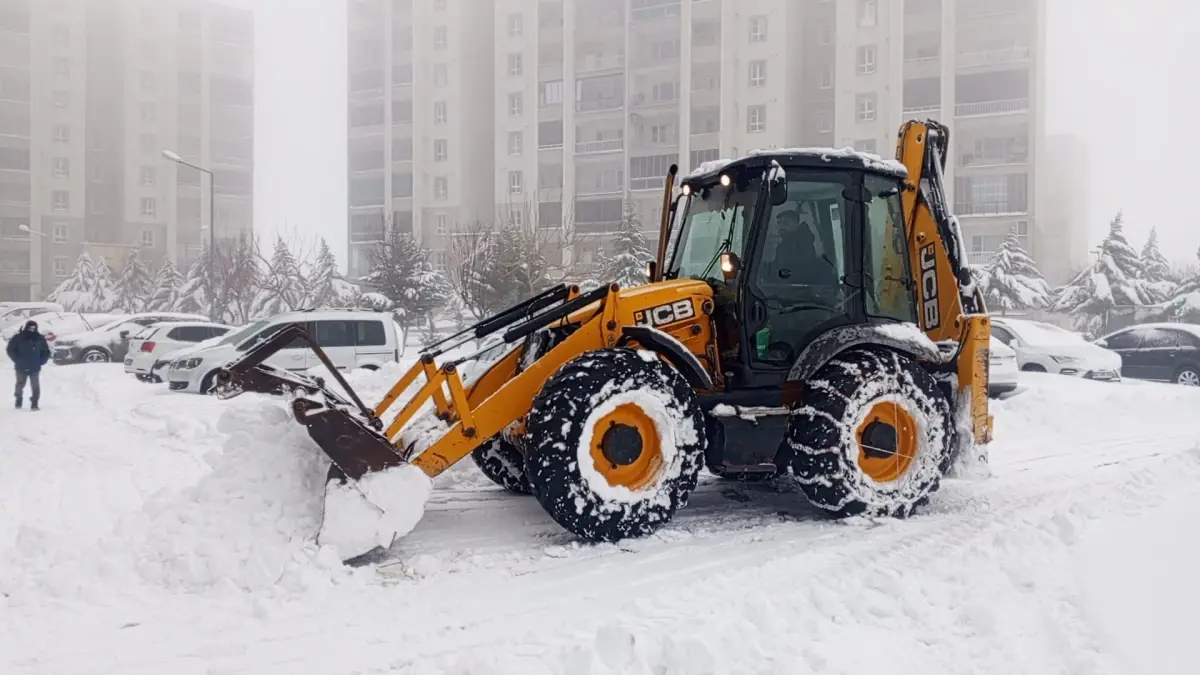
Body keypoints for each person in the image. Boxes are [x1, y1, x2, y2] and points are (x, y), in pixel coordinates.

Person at [6, 320, 50, 410]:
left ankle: (34, 402)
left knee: (35, 385)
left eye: (34, 328)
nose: (32, 330)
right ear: (26, 327)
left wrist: (42, 361)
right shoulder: (18, 337)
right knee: (20, 384)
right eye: (30, 328)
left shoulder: (40, 338)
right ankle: (19, 398)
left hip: (35, 366)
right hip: (21, 366)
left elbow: (46, 351)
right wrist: (17, 360)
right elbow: (10, 349)